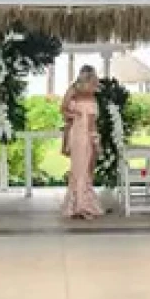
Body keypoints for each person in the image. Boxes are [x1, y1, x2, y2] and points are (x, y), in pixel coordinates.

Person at [60, 66, 103, 220]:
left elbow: (93, 122)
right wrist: (75, 115)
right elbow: (63, 109)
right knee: (79, 169)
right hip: (78, 134)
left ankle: (81, 204)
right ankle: (80, 206)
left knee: (84, 169)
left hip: (87, 134)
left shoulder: (92, 94)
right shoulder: (73, 90)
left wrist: (96, 140)